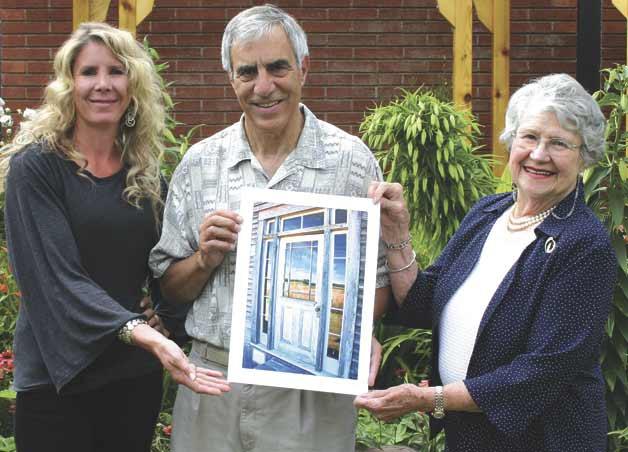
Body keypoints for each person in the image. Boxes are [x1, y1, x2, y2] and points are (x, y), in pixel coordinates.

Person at [149, 4, 390, 452]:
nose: (264, 86)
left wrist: (346, 329)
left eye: (277, 67)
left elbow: (377, 282)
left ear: (303, 68)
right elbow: (171, 290)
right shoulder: (200, 164)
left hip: (312, 391)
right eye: (247, 72)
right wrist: (204, 259)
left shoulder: (351, 162)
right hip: (214, 383)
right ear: (231, 79)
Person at [354, 73, 615, 451]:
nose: (539, 154)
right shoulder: (488, 213)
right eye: (530, 137)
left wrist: (429, 399)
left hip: (544, 441)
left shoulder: (583, 244)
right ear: (512, 140)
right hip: (471, 437)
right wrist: (396, 232)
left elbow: (540, 373)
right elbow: (423, 303)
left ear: (584, 155)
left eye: (558, 143)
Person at [1, 23, 229, 452]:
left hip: (131, 376)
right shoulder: (36, 169)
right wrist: (142, 331)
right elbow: (55, 279)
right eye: (89, 72)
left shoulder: (146, 179)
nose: (102, 84)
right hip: (57, 380)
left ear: (132, 85)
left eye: (116, 71)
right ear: (69, 84)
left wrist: (166, 315)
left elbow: (165, 267)